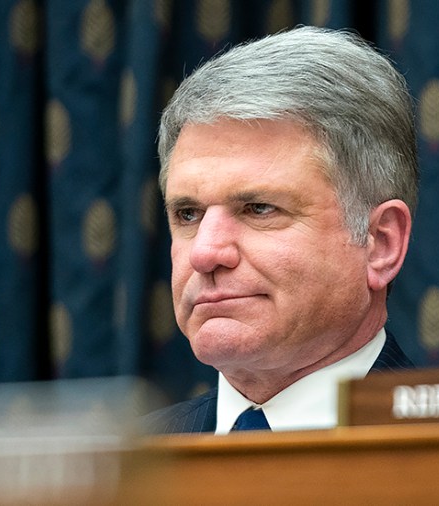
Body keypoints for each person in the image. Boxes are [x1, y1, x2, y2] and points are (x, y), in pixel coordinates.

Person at [144, 26, 419, 435]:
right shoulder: (121, 469)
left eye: (259, 209)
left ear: (380, 243)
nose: (204, 253)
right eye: (188, 214)